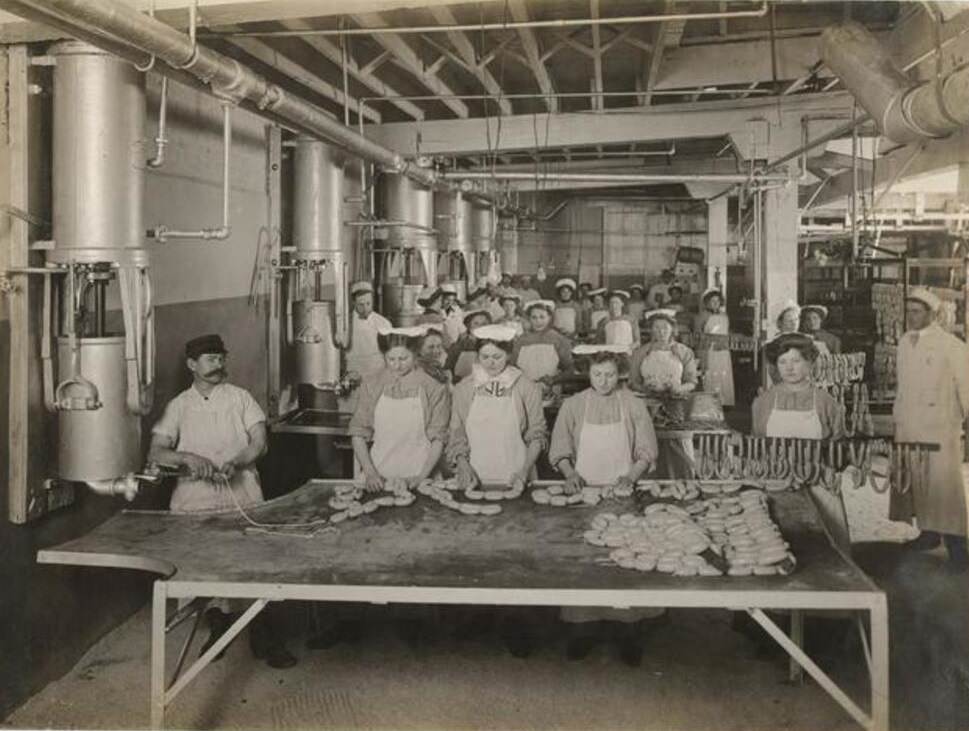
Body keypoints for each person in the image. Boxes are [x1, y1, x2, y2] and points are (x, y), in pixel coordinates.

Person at [148, 334, 296, 669]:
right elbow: (155, 453)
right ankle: (219, 623)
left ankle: (263, 632)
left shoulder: (240, 398)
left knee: (254, 565)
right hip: (195, 498)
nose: (219, 365)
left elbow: (260, 443)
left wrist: (239, 460)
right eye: (211, 359)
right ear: (192, 365)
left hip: (241, 493)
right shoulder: (179, 405)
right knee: (201, 567)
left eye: (221, 358)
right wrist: (185, 457)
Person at [549, 348, 661, 666]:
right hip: (584, 493)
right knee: (584, 561)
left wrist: (630, 477)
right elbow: (560, 447)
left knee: (625, 560)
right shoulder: (573, 405)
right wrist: (569, 475)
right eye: (597, 374)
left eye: (610, 374)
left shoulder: (633, 404)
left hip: (622, 493)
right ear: (589, 373)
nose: (603, 381)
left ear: (620, 374)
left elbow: (645, 449)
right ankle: (583, 629)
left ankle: (628, 632)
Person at [893, 288, 969, 570]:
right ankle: (928, 533)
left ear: (932, 314)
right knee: (918, 481)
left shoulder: (952, 345)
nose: (910, 317)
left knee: (944, 485)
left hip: (939, 426)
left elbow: (966, 386)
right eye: (908, 311)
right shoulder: (904, 342)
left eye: (916, 312)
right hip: (910, 423)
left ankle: (958, 543)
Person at [349, 326, 451, 492]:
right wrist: (370, 472)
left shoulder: (433, 386)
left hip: (422, 472)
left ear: (415, 354)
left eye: (404, 358)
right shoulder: (373, 384)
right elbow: (358, 432)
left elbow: (439, 438)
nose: (397, 365)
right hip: (379, 473)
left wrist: (421, 476)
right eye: (391, 359)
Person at [629, 309, 698, 478]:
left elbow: (692, 382)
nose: (661, 332)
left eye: (665, 328)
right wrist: (645, 388)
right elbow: (633, 382)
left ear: (672, 330)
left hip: (676, 405)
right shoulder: (641, 352)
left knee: (679, 440)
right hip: (648, 405)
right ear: (651, 330)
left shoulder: (684, 351)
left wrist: (678, 388)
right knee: (646, 441)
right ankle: (646, 477)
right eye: (657, 328)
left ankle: (684, 476)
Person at [752, 333, 845, 440]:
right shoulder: (763, 401)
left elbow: (837, 447)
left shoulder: (825, 402)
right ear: (776, 365)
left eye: (796, 361)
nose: (789, 368)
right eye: (782, 362)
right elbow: (757, 445)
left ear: (809, 363)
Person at [511, 300, 574, 394]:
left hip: (551, 390)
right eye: (534, 317)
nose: (538, 321)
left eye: (542, 317)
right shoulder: (521, 341)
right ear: (529, 319)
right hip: (525, 391)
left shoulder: (558, 339)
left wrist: (553, 379)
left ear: (549, 317)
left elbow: (569, 368)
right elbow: (513, 367)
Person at [694, 288, 735, 407]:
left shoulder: (724, 315)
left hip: (723, 350)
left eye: (718, 301)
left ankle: (725, 401)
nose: (715, 304)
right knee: (710, 374)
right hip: (709, 350)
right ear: (706, 303)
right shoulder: (701, 316)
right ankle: (710, 403)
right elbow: (697, 336)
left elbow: (726, 332)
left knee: (723, 373)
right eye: (712, 301)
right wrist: (701, 355)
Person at [345, 281, 392, 381]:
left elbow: (388, 351)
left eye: (368, 303)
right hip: (353, 370)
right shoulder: (345, 323)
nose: (365, 308)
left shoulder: (382, 323)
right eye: (361, 304)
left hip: (376, 370)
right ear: (354, 302)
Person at [445, 309, 493, 382]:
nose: (480, 327)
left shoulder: (494, 345)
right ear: (469, 325)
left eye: (484, 324)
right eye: (476, 323)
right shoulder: (458, 346)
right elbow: (447, 370)